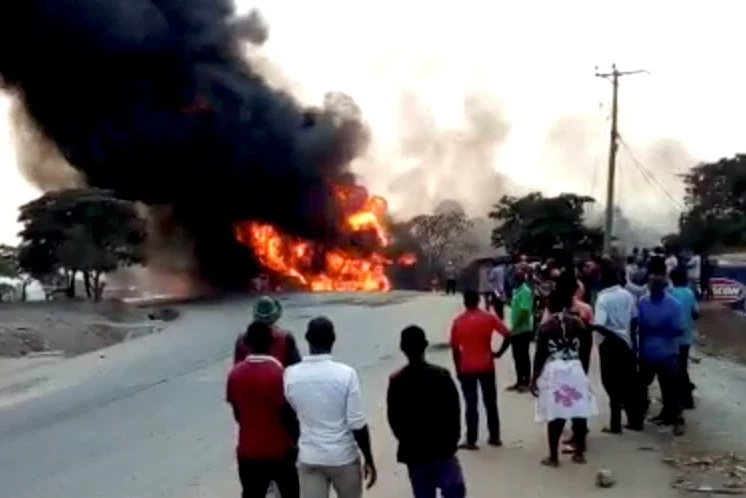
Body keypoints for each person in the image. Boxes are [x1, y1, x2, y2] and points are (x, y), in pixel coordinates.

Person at [284, 317, 377, 498]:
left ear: (307, 338)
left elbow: (290, 415)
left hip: (310, 457)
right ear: (333, 339)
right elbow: (357, 424)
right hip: (343, 458)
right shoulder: (346, 374)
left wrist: (300, 444)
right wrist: (369, 459)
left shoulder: (290, 375)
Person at [388, 326, 466, 498]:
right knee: (455, 491)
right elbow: (455, 412)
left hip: (415, 453)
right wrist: (452, 441)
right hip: (443, 450)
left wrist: (407, 441)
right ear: (426, 345)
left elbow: (394, 420)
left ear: (402, 348)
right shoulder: (441, 375)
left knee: (423, 493)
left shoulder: (397, 381)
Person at [226, 321, 300, 498]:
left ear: (248, 343)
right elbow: (287, 415)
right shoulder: (279, 374)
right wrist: (297, 441)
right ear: (271, 342)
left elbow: (237, 412)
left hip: (248, 452)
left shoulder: (234, 374)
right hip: (279, 451)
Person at [531, 273, 596, 467]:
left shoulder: (546, 327)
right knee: (579, 411)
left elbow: (540, 355)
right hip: (575, 367)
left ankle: (553, 457)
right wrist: (582, 370)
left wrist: (535, 378)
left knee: (555, 414)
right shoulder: (579, 324)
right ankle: (579, 453)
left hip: (554, 369)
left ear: (550, 306)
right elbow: (586, 350)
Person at [450, 290, 510, 449]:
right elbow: (508, 334)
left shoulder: (458, 322)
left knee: (471, 404)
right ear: (478, 301)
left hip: (467, 366)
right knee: (490, 402)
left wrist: (458, 370)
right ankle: (495, 436)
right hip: (486, 364)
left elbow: (455, 349)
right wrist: (498, 353)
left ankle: (471, 440)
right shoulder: (489, 318)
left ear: (465, 302)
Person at [593, 262, 643, 433]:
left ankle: (615, 424)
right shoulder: (627, 295)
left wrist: (588, 325)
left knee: (610, 383)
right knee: (628, 382)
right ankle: (634, 421)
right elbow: (635, 319)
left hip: (609, 344)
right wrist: (632, 341)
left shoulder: (603, 298)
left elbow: (600, 324)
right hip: (627, 342)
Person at [638, 268, 686, 436]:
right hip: (649, 352)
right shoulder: (643, 302)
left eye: (656, 287)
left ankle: (676, 419)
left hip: (666, 354)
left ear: (663, 287)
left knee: (670, 388)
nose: (653, 289)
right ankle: (646, 415)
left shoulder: (673, 304)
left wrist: (654, 329)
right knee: (642, 385)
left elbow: (679, 329)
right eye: (652, 286)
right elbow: (638, 326)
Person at [234, 296, 302, 366]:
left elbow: (237, 367)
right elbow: (296, 367)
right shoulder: (286, 338)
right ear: (275, 316)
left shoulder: (242, 339)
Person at [669, 268, 699, 410]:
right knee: (682, 366)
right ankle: (685, 396)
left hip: (672, 338)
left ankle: (684, 398)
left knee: (676, 369)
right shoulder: (689, 293)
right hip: (686, 337)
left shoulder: (669, 294)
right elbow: (696, 313)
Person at [503, 269, 534, 392]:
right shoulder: (517, 291)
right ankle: (519, 381)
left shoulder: (525, 291)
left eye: (515, 278)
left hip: (523, 329)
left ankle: (526, 382)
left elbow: (524, 311)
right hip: (517, 329)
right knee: (517, 356)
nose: (513, 280)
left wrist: (516, 326)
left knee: (523, 356)